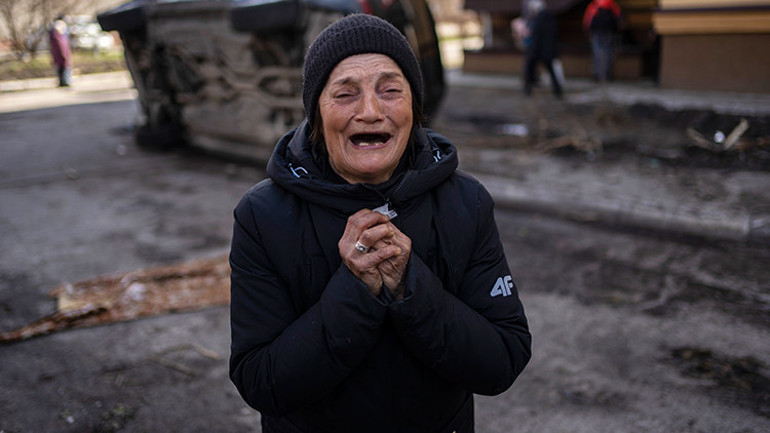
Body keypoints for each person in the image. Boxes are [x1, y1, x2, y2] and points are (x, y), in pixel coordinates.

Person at [229, 13, 531, 433]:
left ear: (414, 106)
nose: (370, 112)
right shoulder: (262, 217)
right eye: (345, 94)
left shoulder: (467, 202)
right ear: (315, 113)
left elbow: (503, 359)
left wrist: (411, 285)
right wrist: (356, 289)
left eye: (390, 90)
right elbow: (260, 381)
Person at [523, 0, 563, 98]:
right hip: (549, 50)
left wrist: (531, 50)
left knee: (529, 69)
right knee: (551, 70)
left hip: (538, 50)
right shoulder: (551, 18)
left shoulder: (537, 19)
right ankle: (558, 91)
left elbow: (536, 36)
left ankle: (528, 89)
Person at [583, 0, 622, 82]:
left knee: (597, 54)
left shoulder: (594, 4)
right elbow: (619, 18)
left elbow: (588, 20)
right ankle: (607, 74)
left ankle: (597, 75)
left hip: (596, 33)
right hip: (609, 33)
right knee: (608, 53)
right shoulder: (612, 4)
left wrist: (588, 30)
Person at [49, 17, 71, 87]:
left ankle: (63, 81)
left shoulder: (57, 36)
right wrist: (64, 55)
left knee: (61, 68)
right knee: (63, 67)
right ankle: (64, 81)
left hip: (59, 55)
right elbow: (62, 47)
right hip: (61, 55)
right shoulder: (59, 37)